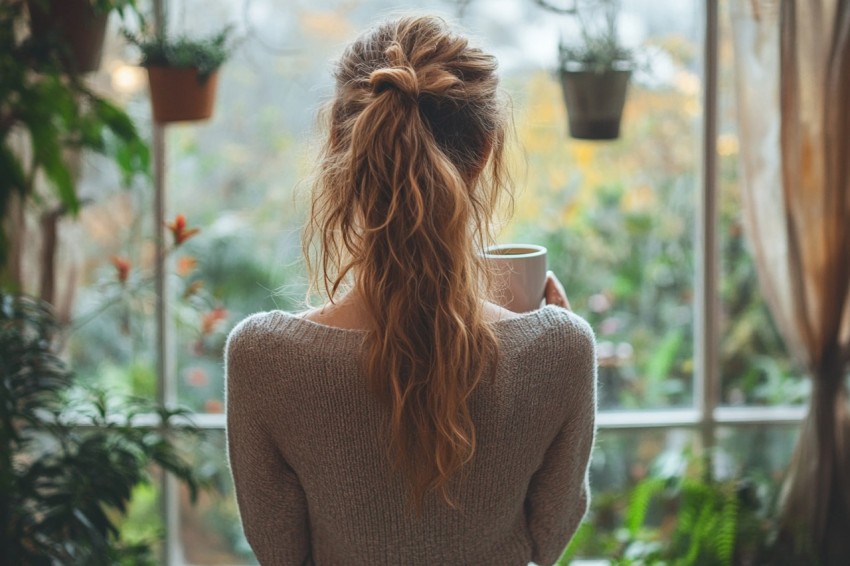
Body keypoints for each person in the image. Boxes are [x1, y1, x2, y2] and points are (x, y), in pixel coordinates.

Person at [225, 14, 597, 566]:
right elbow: (547, 543)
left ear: (338, 143)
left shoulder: (264, 359)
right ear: (487, 151)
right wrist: (550, 338)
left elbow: (281, 556)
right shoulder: (560, 350)